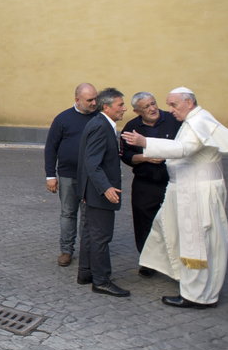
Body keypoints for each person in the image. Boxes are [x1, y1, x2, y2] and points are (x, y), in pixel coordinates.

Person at [122, 87, 228, 308]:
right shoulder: (194, 119)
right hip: (186, 189)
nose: (169, 110)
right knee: (166, 227)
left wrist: (146, 143)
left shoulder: (198, 121)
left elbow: (185, 148)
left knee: (197, 242)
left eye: (173, 105)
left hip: (196, 192)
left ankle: (197, 296)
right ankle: (185, 279)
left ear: (189, 103)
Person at [120, 92, 181, 276]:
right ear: (137, 111)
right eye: (146, 107)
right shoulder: (131, 128)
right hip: (145, 183)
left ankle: (175, 262)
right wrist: (145, 158)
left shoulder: (173, 120)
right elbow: (126, 155)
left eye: (153, 103)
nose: (152, 108)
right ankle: (147, 261)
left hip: (172, 180)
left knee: (173, 221)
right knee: (143, 222)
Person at [76, 87, 129, 297]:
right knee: (101, 236)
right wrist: (106, 187)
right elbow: (92, 162)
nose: (124, 109)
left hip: (93, 191)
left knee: (90, 233)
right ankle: (101, 280)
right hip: (99, 192)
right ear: (106, 107)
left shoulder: (100, 123)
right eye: (120, 105)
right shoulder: (101, 126)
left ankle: (86, 272)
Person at [44, 83, 98, 267]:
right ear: (77, 100)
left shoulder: (99, 118)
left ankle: (87, 250)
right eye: (89, 100)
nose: (94, 103)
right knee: (68, 213)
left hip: (91, 177)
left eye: (95, 98)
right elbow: (51, 148)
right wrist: (50, 175)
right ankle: (66, 250)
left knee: (88, 215)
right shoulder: (63, 119)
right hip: (68, 175)